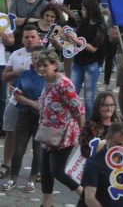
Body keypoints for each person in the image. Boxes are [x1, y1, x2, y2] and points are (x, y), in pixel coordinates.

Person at [36, 50, 84, 207]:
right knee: (45, 169)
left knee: (57, 171)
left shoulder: (64, 84)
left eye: (45, 65)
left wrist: (83, 134)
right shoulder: (47, 81)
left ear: (55, 65)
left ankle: (85, 194)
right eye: (39, 65)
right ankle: (47, 203)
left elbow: (79, 110)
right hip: (47, 132)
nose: (41, 68)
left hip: (64, 134)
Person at [1, 47, 44, 193]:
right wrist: (32, 103)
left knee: (38, 150)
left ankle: (32, 180)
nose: (37, 61)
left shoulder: (50, 77)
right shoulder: (25, 74)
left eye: (40, 58)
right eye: (34, 58)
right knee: (19, 149)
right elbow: (16, 94)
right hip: (25, 115)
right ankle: (13, 178)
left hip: (42, 118)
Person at [80, 122, 123, 207]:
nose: (122, 148)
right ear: (108, 139)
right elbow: (89, 199)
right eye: (118, 144)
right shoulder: (94, 162)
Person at [69, 0, 106, 118]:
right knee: (71, 93)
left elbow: (93, 48)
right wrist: (70, 37)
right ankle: (71, 120)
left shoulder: (100, 26)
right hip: (78, 62)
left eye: (84, 9)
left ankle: (90, 123)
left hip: (92, 64)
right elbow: (76, 38)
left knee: (89, 97)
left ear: (90, 10)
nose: (82, 11)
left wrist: (77, 41)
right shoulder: (82, 22)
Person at [77, 91, 121, 158]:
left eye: (112, 105)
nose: (109, 109)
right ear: (97, 107)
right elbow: (85, 152)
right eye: (105, 105)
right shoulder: (89, 126)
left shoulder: (119, 125)